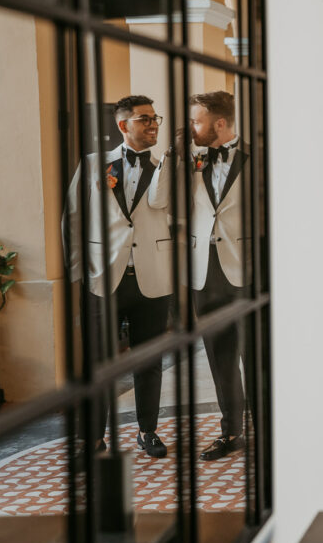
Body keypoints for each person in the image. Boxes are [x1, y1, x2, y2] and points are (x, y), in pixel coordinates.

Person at [65, 95, 172, 458]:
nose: (153, 123)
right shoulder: (94, 165)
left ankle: (147, 431)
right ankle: (93, 437)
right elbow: (74, 219)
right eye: (145, 119)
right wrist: (80, 273)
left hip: (153, 280)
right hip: (102, 279)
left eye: (155, 118)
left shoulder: (164, 169)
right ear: (123, 125)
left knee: (149, 361)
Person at [151, 90, 249, 461]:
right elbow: (159, 201)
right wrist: (173, 155)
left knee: (257, 356)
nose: (190, 127)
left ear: (219, 123)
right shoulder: (189, 159)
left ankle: (272, 428)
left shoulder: (259, 157)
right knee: (219, 354)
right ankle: (231, 432)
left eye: (196, 121)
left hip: (248, 270)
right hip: (205, 272)